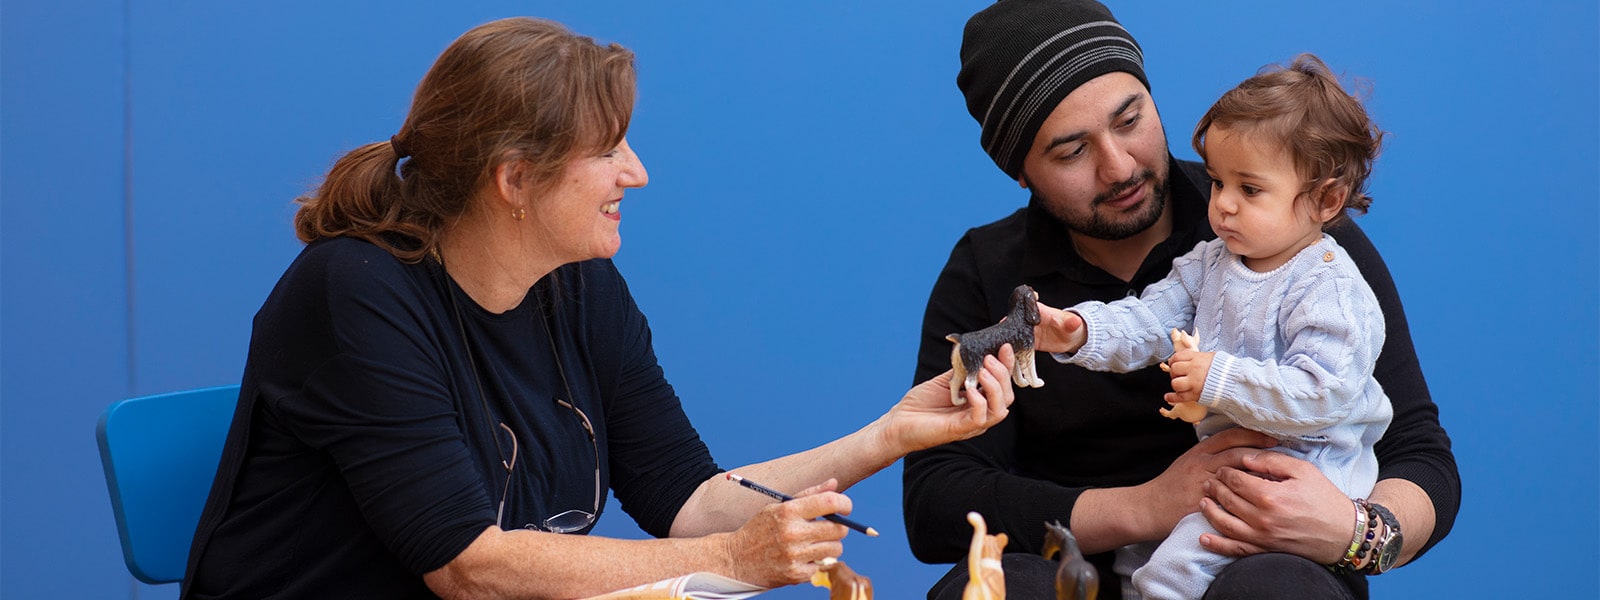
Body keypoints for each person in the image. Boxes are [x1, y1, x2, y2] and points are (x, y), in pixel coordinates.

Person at [181, 17, 1019, 600]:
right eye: (609, 149)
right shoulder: (355, 293)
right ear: (514, 180)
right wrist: (735, 558)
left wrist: (889, 433)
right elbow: (467, 567)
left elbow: (686, 499)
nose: (638, 172)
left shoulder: (578, 284)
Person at [902, 2, 1460, 599]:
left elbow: (1417, 451)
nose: (1119, 167)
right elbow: (937, 500)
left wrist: (1354, 533)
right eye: (1071, 152)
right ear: (1020, 171)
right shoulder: (989, 270)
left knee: (1273, 586)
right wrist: (1145, 507)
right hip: (1074, 561)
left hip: (1258, 548)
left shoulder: (1298, 237)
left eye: (1129, 119)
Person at [1042, 53, 1397, 600]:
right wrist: (1079, 332)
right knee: (1135, 562)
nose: (1224, 206)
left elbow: (1325, 395)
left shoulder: (1329, 287)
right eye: (1216, 183)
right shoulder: (1213, 262)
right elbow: (1149, 318)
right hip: (1245, 462)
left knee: (1165, 577)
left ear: (1326, 200)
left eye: (1249, 190)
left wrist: (1216, 379)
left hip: (1310, 473)